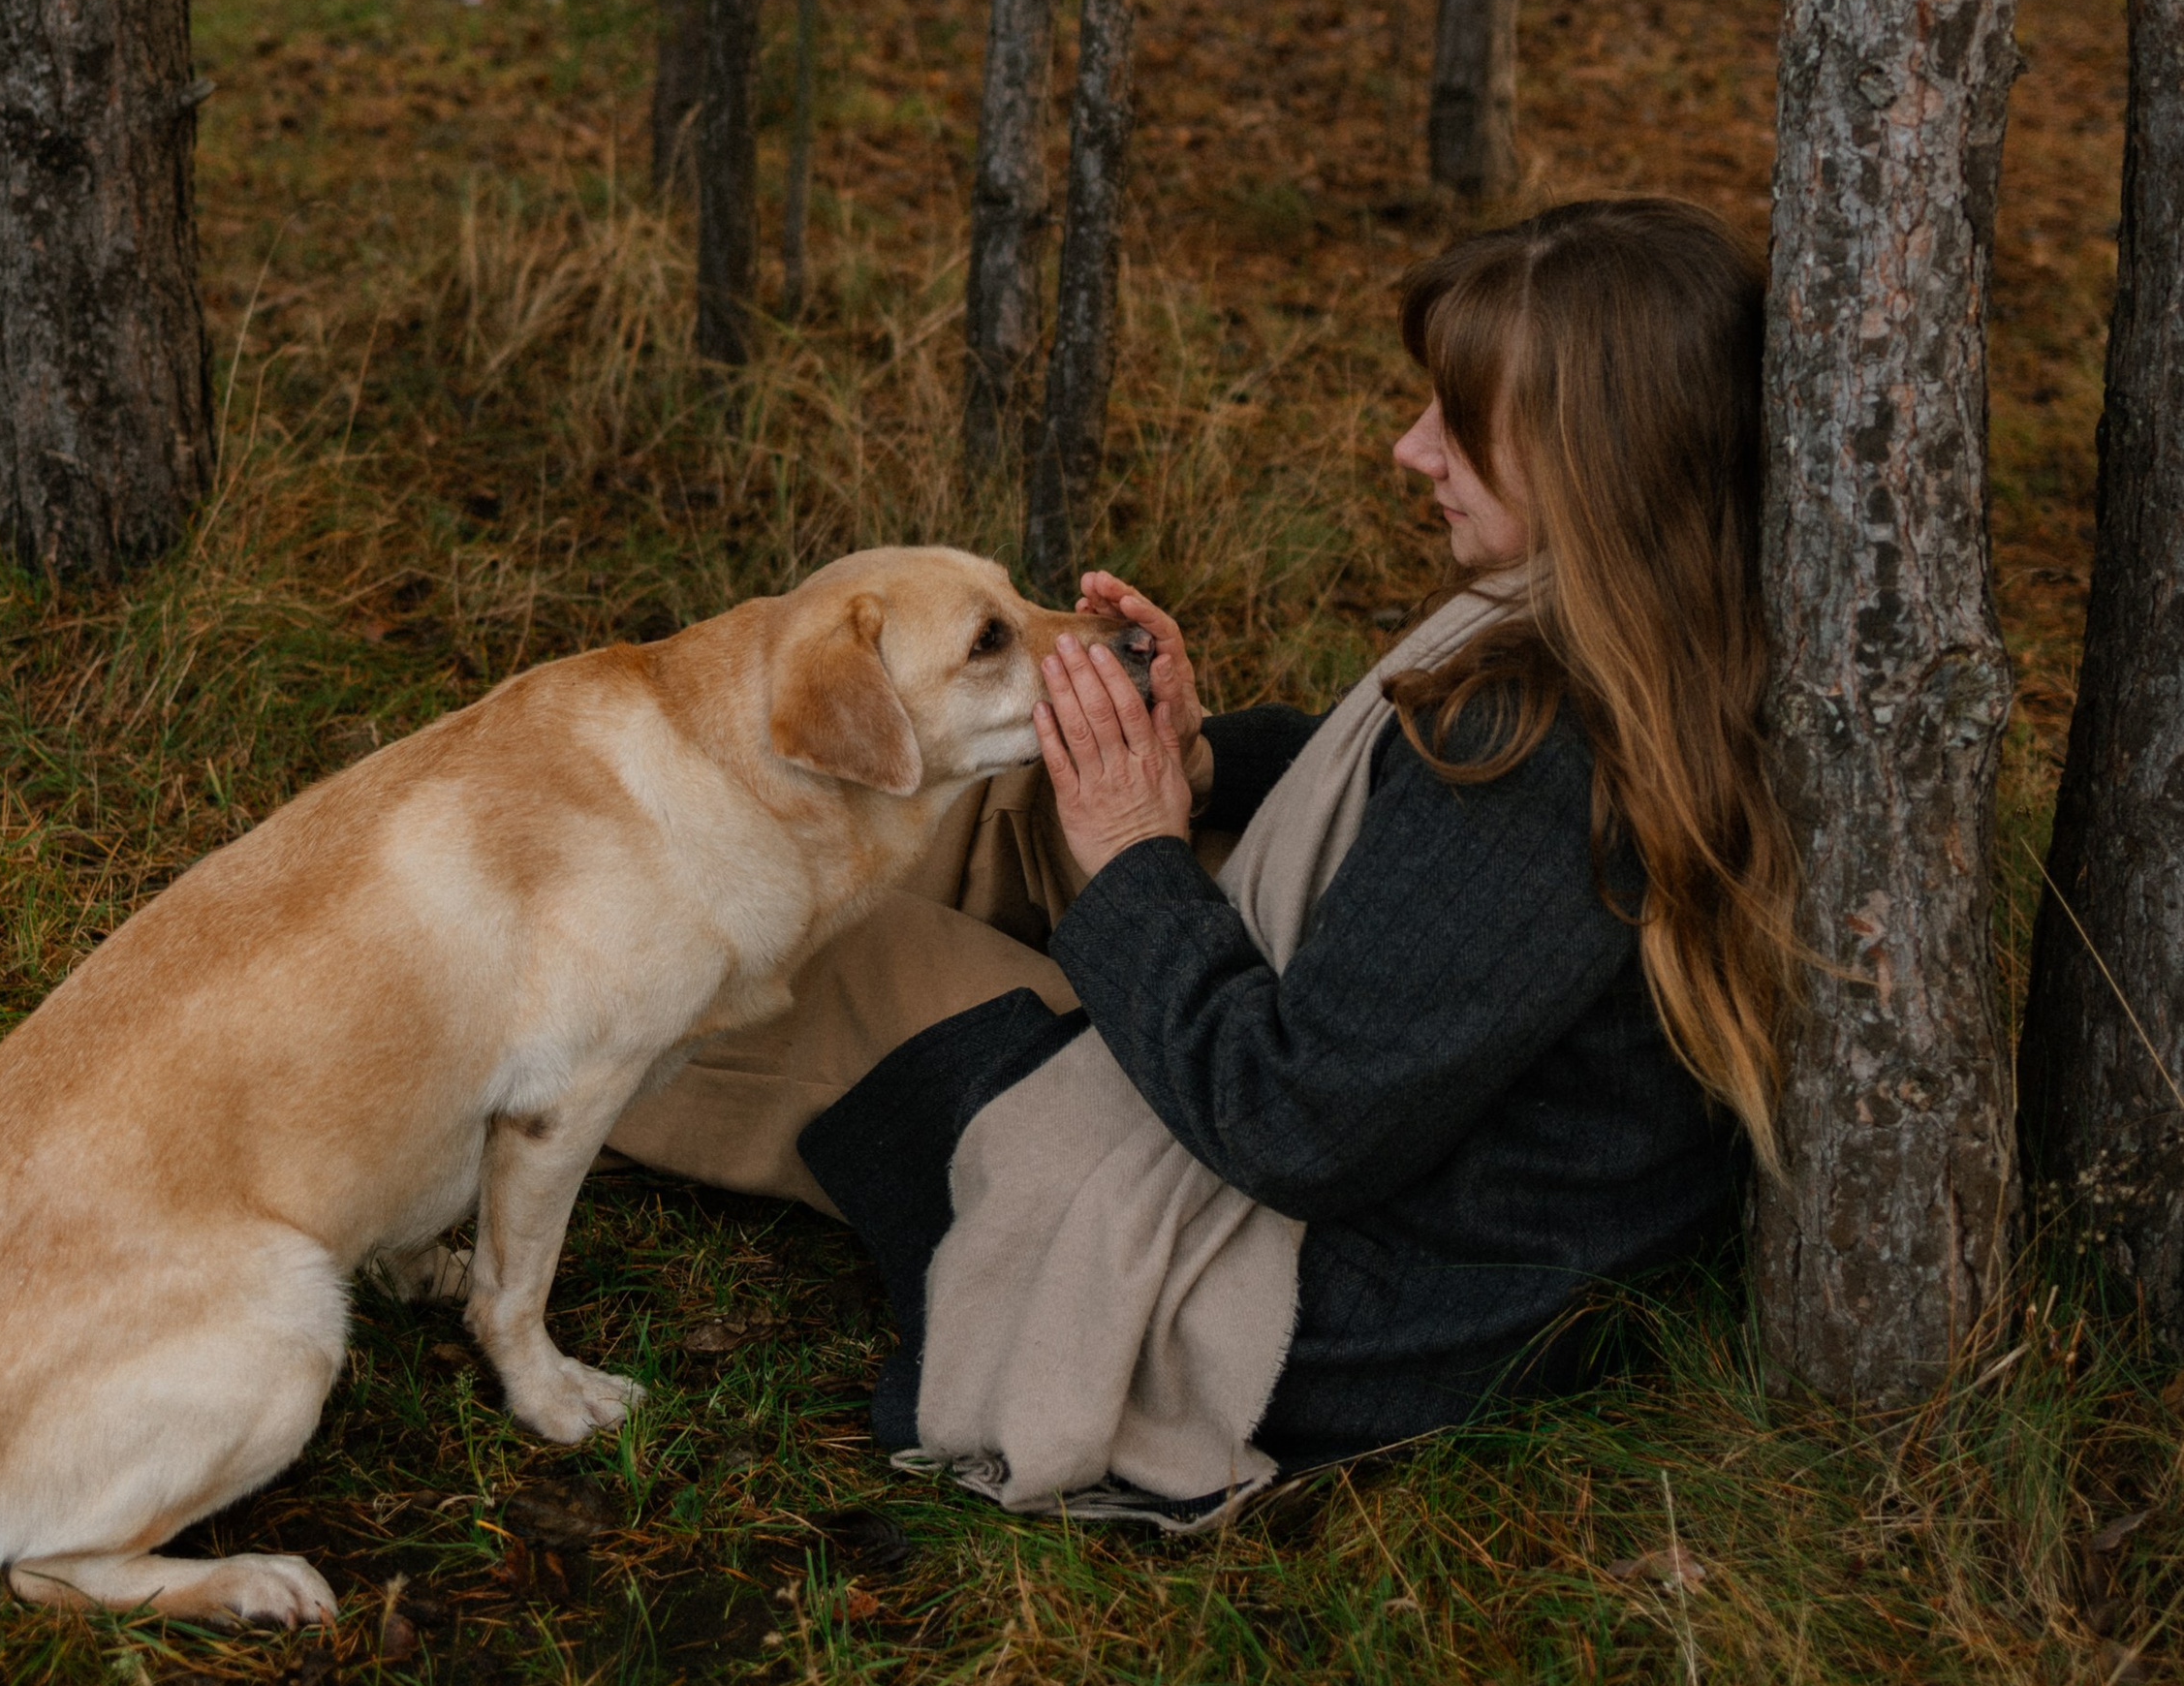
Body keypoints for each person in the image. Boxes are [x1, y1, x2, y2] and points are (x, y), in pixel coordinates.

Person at [607, 196, 1796, 1502]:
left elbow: (1294, 1125)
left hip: (1347, 1306)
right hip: (1414, 1170)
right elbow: (1393, 790)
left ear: (1596, 454)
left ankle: (513, 1044)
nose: (1411, 449)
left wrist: (1133, 857)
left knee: (840, 950)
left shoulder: (1542, 746)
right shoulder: (1642, 622)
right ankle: (606, 844)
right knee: (989, 799)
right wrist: (1202, 759)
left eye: (1457, 422)